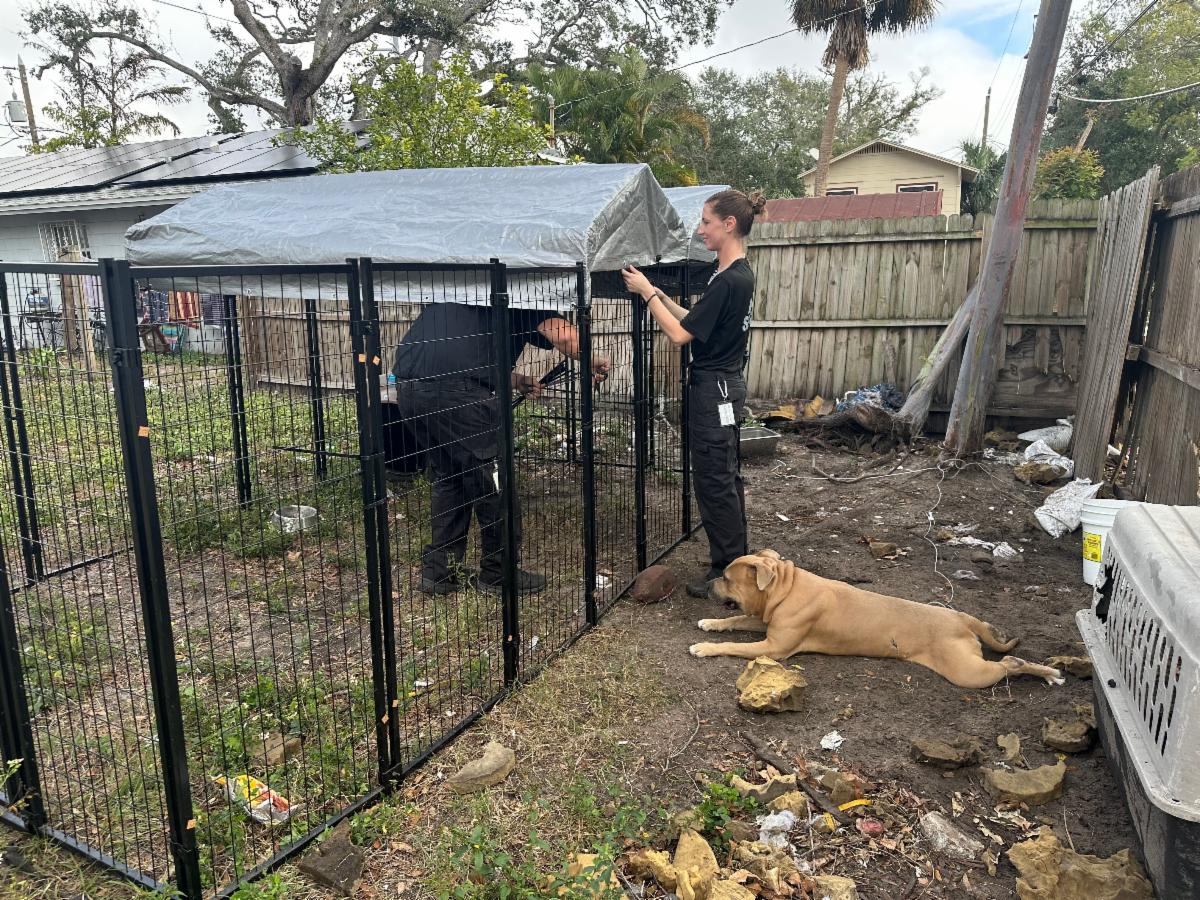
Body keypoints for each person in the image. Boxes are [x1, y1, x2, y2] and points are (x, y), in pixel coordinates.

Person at [393, 299, 610, 596]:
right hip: (458, 397)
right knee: (495, 482)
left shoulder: (464, 287)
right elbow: (566, 337)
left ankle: (440, 572)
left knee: (450, 478)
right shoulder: (522, 292)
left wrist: (516, 380)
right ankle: (499, 573)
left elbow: (456, 359)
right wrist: (593, 359)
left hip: (410, 389)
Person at [622, 188, 764, 598]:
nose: (700, 230)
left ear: (729, 224)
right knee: (724, 476)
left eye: (706, 221)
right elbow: (697, 322)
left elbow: (679, 335)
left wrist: (647, 292)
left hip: (715, 389)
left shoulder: (729, 279)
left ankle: (729, 575)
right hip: (723, 385)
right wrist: (663, 295)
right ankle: (735, 562)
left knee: (716, 480)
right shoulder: (735, 275)